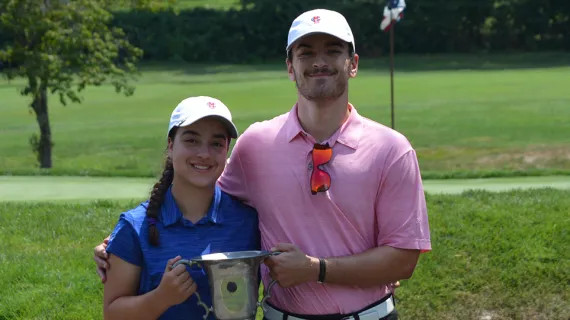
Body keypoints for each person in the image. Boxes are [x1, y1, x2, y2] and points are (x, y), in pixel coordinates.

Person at [95, 8, 431, 320]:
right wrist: (122, 239)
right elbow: (200, 193)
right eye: (306, 53)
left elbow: (403, 259)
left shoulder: (392, 149)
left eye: (332, 50)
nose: (320, 61)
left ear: (353, 63)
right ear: (290, 67)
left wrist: (318, 269)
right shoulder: (256, 145)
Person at [101, 96, 260, 320]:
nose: (204, 154)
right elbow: (112, 314)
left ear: (227, 150)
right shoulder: (134, 227)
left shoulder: (249, 221)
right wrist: (160, 298)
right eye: (192, 141)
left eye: (216, 143)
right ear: (170, 143)